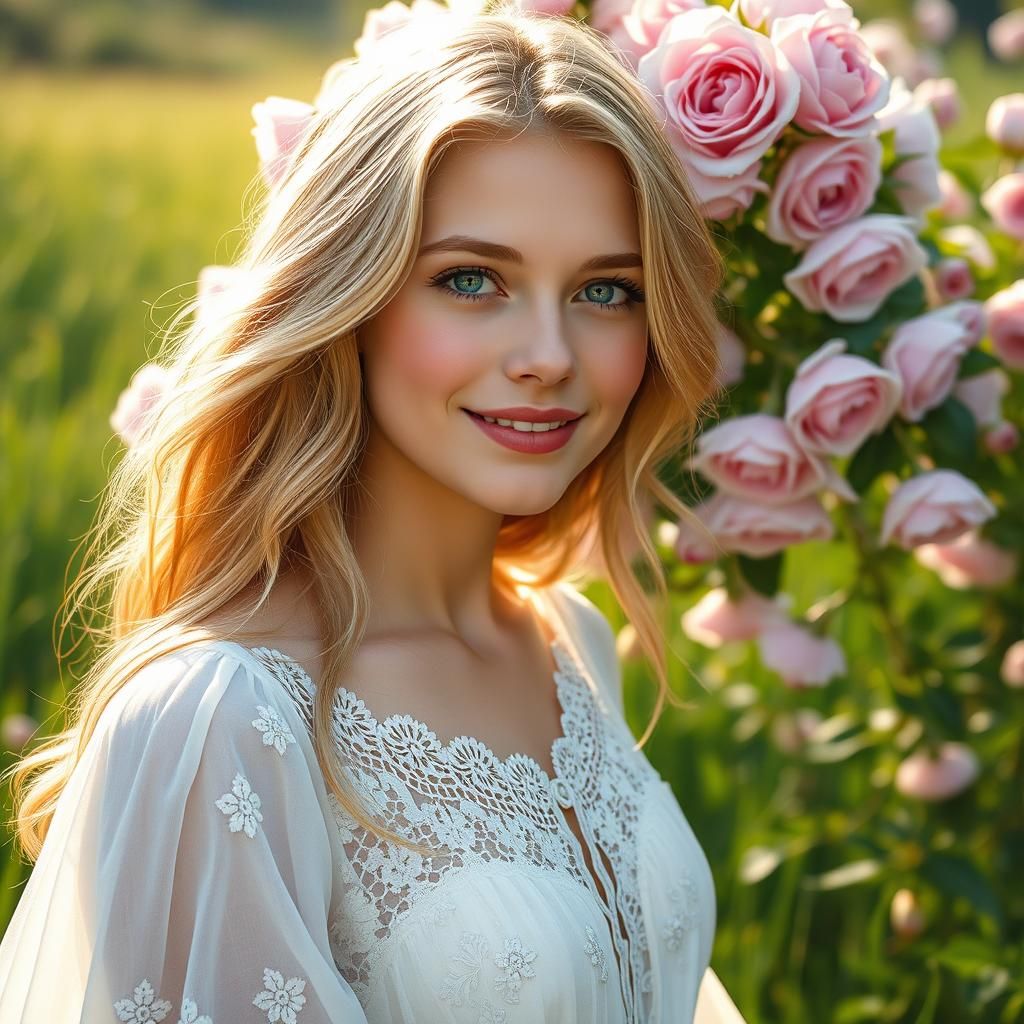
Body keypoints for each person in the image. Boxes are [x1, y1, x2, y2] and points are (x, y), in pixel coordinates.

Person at [0, 3, 748, 1021]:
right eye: (471, 279)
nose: (549, 355)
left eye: (605, 292)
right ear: (348, 297)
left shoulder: (567, 641)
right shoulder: (221, 716)